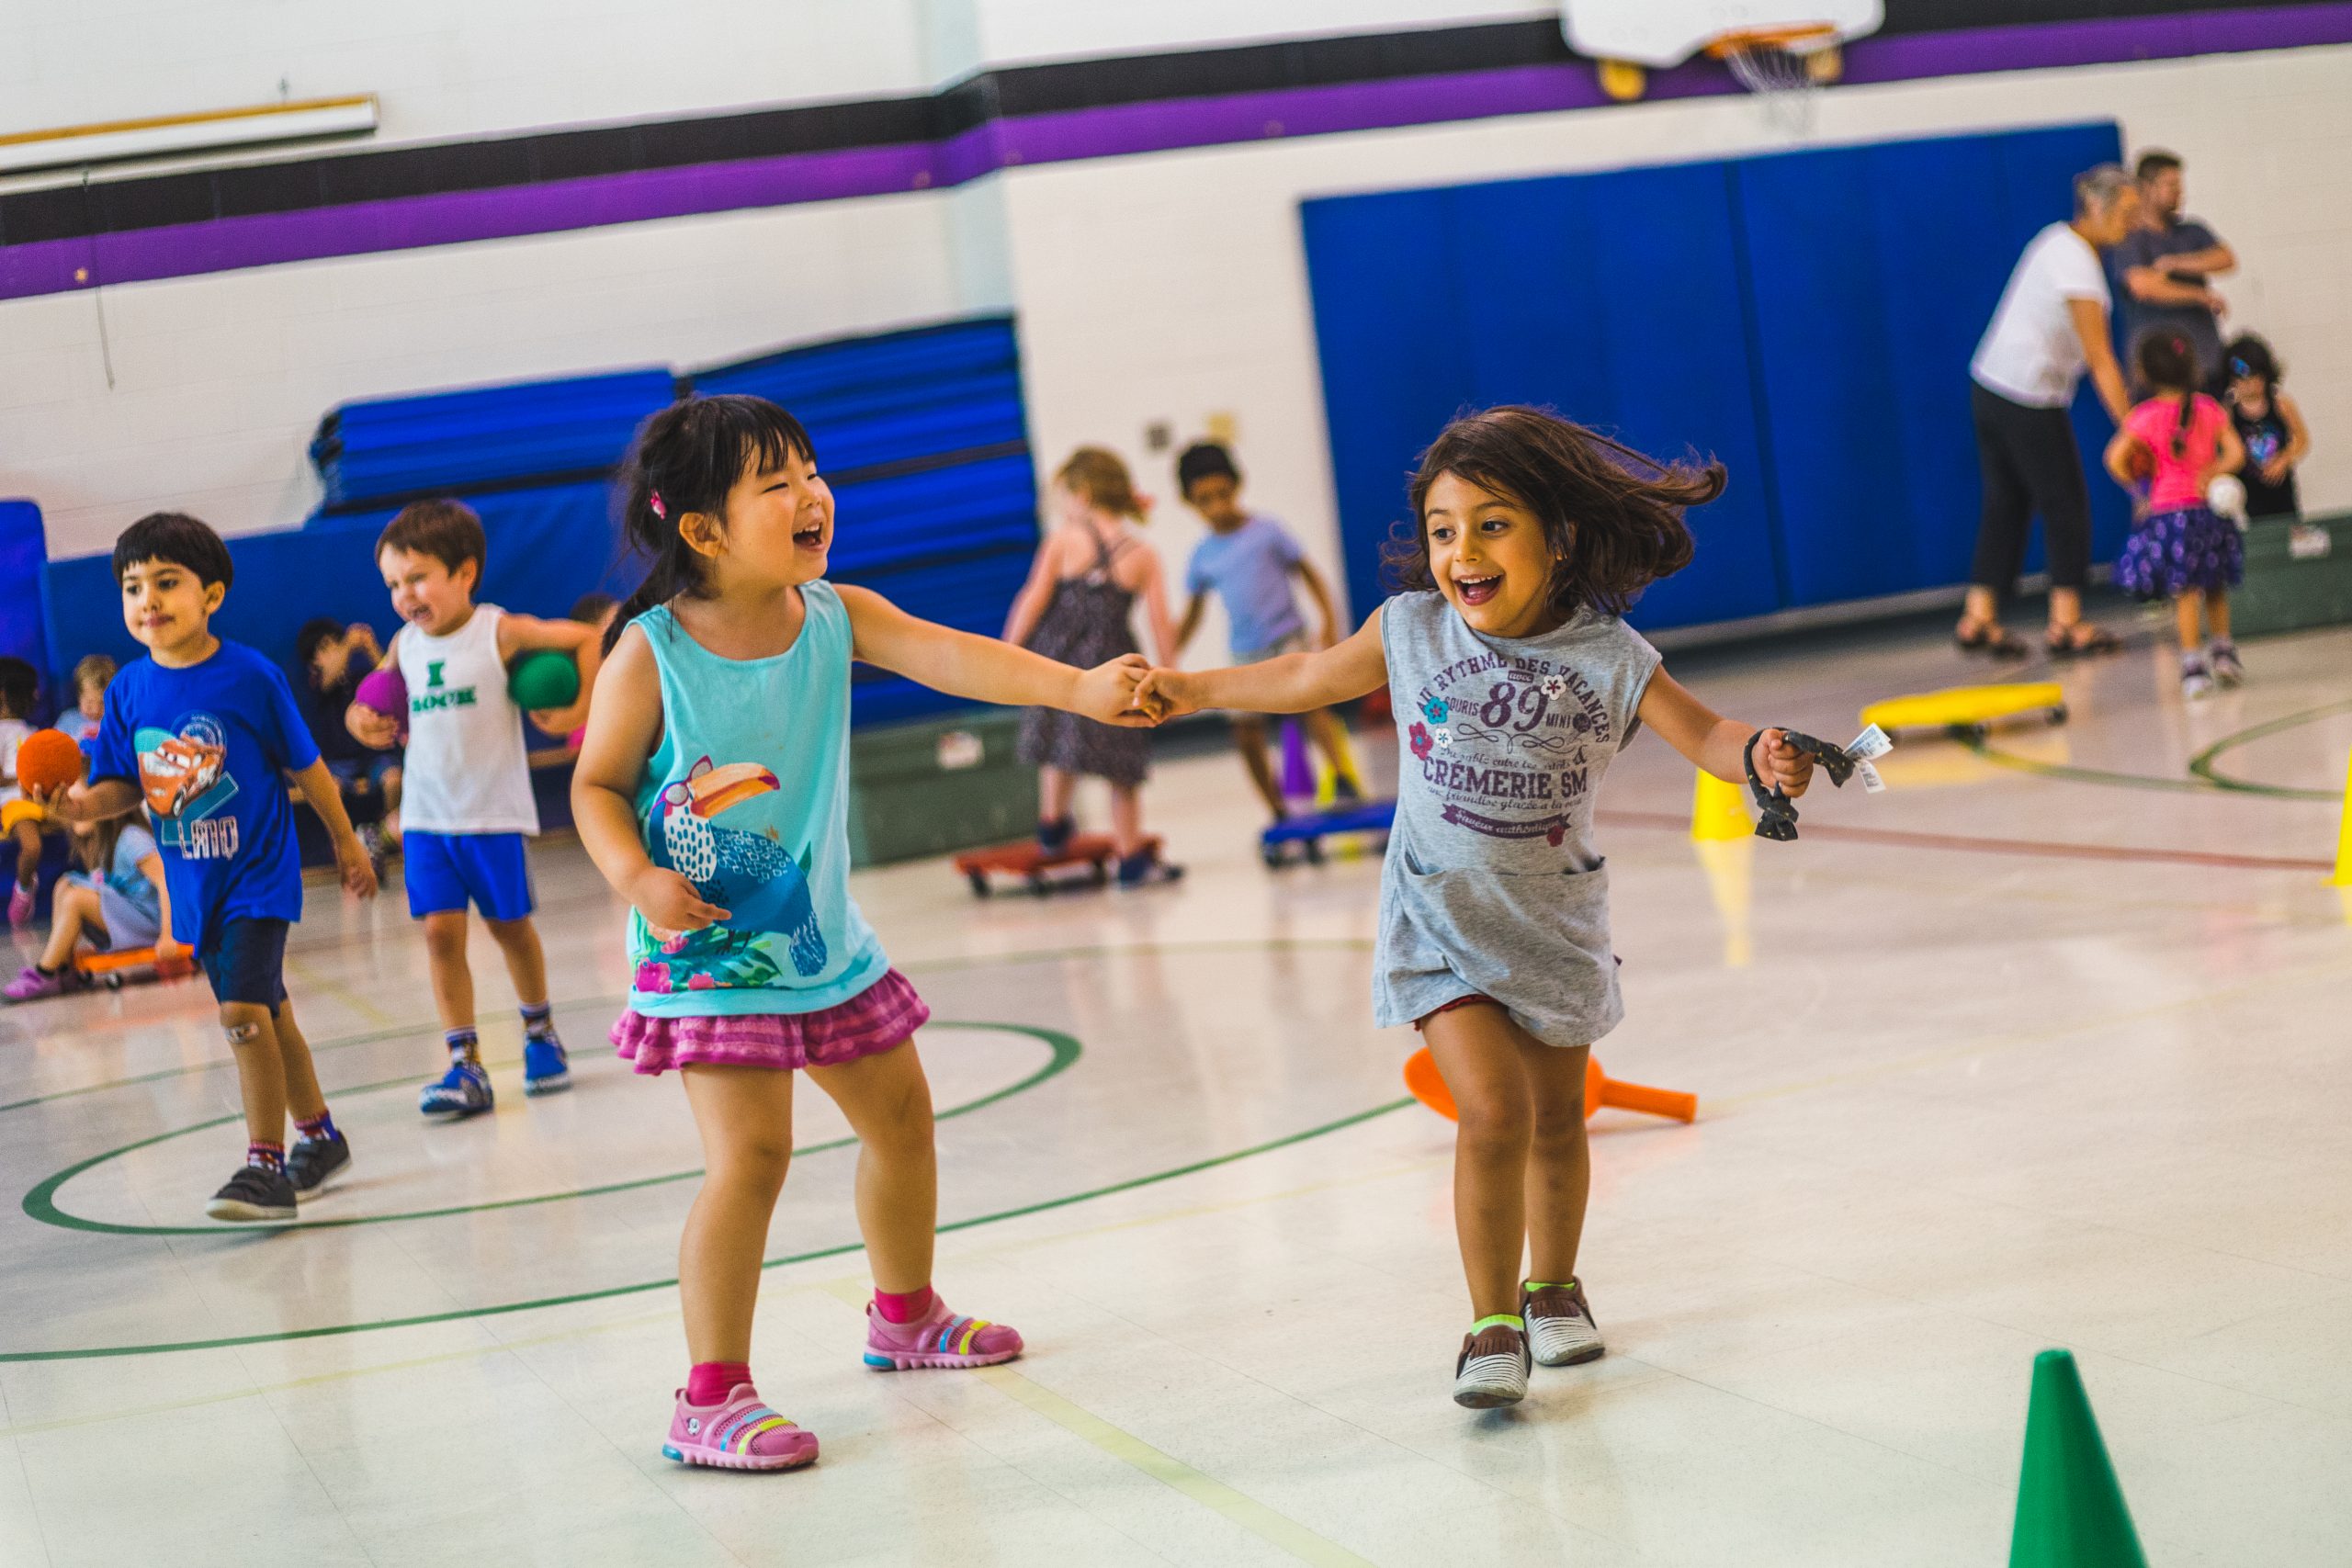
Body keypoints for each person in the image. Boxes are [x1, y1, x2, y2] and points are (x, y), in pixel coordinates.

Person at [1135, 407, 1816, 1409]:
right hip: (1438, 919)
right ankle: (1490, 1322)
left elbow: (1708, 735)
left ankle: (1553, 1289)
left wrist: (1760, 756)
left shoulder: (1611, 655)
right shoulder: (1412, 630)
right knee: (1491, 1111)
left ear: (1559, 535)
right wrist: (1188, 688)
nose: (1462, 553)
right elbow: (1303, 672)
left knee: (1554, 1122)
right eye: (1444, 530)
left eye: (1492, 525)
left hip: (1554, 925)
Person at [571, 394, 1152, 1471]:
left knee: (904, 1125)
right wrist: (633, 875)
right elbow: (597, 786)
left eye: (811, 469)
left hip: (823, 943)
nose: (811, 494)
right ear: (700, 529)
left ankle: (906, 1318)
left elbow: (959, 657)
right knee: (751, 1158)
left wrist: (1077, 687)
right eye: (775, 482)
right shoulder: (651, 653)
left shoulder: (833, 614)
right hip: (711, 956)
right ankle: (709, 1396)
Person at [33, 512, 378, 1221]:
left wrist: (345, 842)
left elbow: (307, 767)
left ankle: (265, 1166)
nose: (148, 600)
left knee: (243, 1014)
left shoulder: (251, 674)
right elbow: (121, 786)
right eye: (133, 587)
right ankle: (322, 1137)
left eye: (167, 582)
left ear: (212, 594)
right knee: (272, 1013)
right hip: (195, 886)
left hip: (257, 875)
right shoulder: (128, 689)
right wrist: (71, 810)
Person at [345, 501, 600, 1118]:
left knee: (510, 928)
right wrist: (359, 719)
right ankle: (465, 1064)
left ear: (466, 573)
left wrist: (576, 711)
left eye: (418, 577)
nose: (405, 594)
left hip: (491, 814)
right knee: (438, 934)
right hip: (429, 818)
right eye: (393, 584)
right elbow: (365, 702)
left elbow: (589, 637)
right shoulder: (404, 645)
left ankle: (540, 1033)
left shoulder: (498, 630)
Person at [1958, 164, 2140, 659]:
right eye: (2126, 212)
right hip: (2025, 395)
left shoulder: (2055, 241)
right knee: (2066, 506)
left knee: (2006, 502)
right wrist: (2138, 429)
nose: (2134, 221)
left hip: (1990, 385)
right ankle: (2066, 624)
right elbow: (2102, 361)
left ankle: (1978, 617)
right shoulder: (2078, 266)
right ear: (2097, 208)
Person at [1003, 447, 1182, 886]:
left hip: (1060, 657)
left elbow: (1034, 596)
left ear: (1082, 493)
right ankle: (1130, 852)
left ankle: (1052, 823)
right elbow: (1162, 622)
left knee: (1059, 746)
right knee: (1123, 762)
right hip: (1116, 661)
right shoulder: (1143, 553)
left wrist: (1008, 648)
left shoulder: (1064, 539)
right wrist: (1173, 675)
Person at [1171, 441, 1364, 823]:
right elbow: (1192, 614)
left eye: (1223, 494)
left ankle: (1342, 777)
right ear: (1190, 502)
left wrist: (1328, 620)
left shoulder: (1268, 531)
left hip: (1288, 636)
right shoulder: (1203, 555)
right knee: (1245, 731)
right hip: (1245, 651)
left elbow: (1309, 574)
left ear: (1237, 484)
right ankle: (1276, 809)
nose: (1218, 507)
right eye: (1205, 500)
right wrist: (1167, 653)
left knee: (1312, 704)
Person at [2106, 334, 2246, 699]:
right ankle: (2223, 651)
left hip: (2171, 516)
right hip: (2208, 513)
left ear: (2144, 374)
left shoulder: (2144, 416)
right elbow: (2236, 453)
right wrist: (2211, 471)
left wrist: (2139, 490)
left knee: (2185, 592)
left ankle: (2192, 664)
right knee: (2214, 586)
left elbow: (2114, 459)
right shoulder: (2208, 407)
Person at [5, 806, 173, 1001]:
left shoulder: (131, 838)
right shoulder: (103, 842)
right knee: (65, 884)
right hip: (136, 916)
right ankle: (63, 968)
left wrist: (168, 936)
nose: (70, 812)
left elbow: (165, 880)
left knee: (76, 900)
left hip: (155, 924)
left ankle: (46, 973)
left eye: (77, 804)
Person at [2112, 151, 2235, 389]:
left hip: (2204, 362)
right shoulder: (2130, 238)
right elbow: (2142, 285)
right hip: (2157, 372)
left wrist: (2175, 263)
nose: (2179, 193)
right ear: (2147, 188)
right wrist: (2199, 295)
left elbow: (2225, 258)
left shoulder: (2192, 230)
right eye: (2171, 185)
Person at [296, 616, 400, 868]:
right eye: (326, 648)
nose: (334, 652)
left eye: (334, 645)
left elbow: (387, 682)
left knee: (393, 778)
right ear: (314, 660)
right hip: (338, 764)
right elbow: (328, 680)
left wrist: (370, 648)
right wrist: (348, 645)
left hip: (372, 757)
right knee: (330, 787)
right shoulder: (316, 683)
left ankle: (388, 836)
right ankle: (344, 844)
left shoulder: (359, 677)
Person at [2222, 333, 2312, 526]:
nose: (2250, 385)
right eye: (2243, 380)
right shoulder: (2229, 412)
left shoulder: (2281, 404)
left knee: (2290, 527)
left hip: (2282, 490)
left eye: (2256, 378)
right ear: (2232, 381)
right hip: (2250, 492)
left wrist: (2283, 460)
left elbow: (2302, 439)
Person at [0, 658, 40, 927]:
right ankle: (24, 889)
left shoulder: (31, 732)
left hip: (34, 800)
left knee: (80, 824)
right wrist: (22, 779)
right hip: (11, 803)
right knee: (32, 845)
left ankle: (99, 875)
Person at [68, 654, 115, 750]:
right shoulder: (68, 721)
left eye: (102, 703)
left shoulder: (115, 723)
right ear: (79, 697)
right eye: (89, 703)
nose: (96, 710)